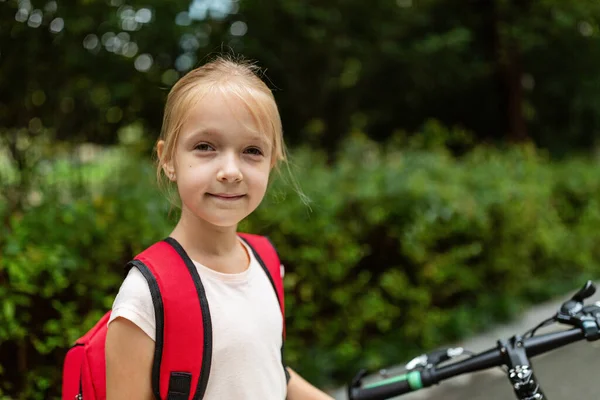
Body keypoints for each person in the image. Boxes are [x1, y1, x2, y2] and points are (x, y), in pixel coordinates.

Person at [104, 55, 334, 400]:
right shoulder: (146, 296)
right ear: (168, 159)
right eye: (205, 147)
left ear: (272, 163)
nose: (231, 170)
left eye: (252, 150)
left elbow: (268, 371)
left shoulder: (266, 262)